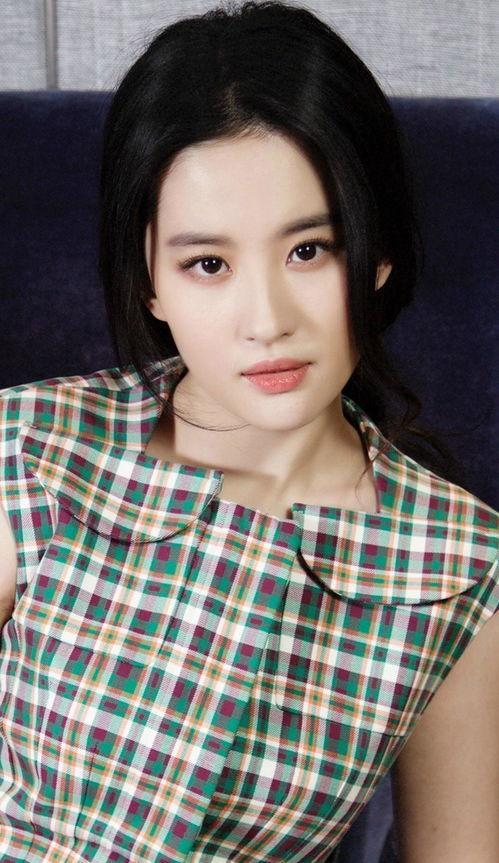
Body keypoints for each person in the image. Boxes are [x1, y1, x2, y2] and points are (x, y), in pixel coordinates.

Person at [0, 1, 497, 861]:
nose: (265, 320)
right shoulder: (34, 448)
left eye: (309, 250)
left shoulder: (456, 563)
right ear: (150, 282)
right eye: (207, 264)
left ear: (377, 250)